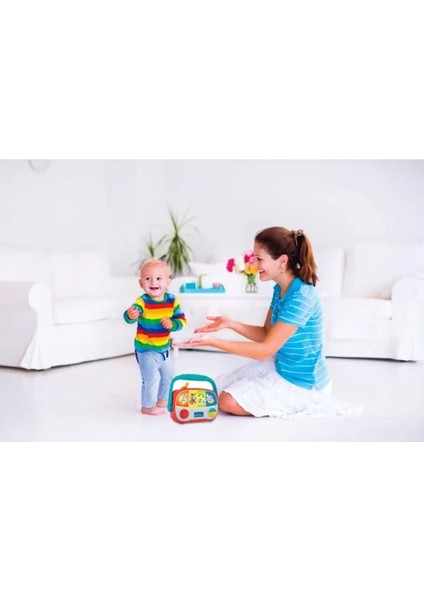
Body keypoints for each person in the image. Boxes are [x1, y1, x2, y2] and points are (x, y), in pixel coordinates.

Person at [176, 227, 360, 419]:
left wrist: (214, 342)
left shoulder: (302, 296)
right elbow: (266, 333)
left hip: (304, 384)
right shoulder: (280, 289)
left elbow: (265, 350)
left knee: (226, 401)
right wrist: (231, 324)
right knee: (217, 386)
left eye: (259, 259)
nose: (254, 265)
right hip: (282, 368)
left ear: (282, 261)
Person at [123, 258, 186, 415]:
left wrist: (173, 324)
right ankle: (147, 406)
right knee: (150, 379)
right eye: (148, 278)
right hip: (146, 349)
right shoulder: (142, 301)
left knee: (168, 375)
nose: (153, 282)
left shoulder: (172, 300)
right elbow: (131, 315)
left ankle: (162, 399)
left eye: (159, 278)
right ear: (141, 283)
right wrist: (130, 315)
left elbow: (182, 320)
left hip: (164, 349)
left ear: (167, 282)